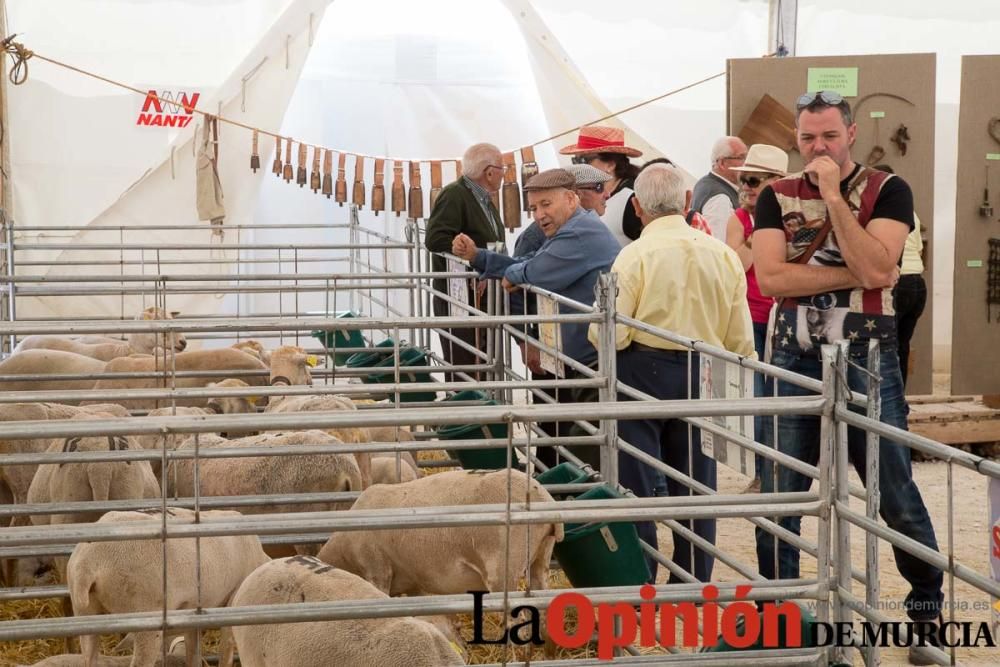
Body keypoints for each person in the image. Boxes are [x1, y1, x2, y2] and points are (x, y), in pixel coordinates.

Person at [752, 91, 943, 657]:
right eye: (808, 138)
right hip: (794, 351)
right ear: (797, 138)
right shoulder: (774, 194)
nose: (818, 148)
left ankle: (926, 609)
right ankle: (780, 617)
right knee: (782, 489)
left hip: (868, 353)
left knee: (894, 488)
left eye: (829, 136)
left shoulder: (889, 189)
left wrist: (834, 196)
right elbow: (770, 282)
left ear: (851, 134)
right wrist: (853, 275)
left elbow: (881, 268)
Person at [589, 163, 754, 582]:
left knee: (638, 478)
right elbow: (739, 337)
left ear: (638, 208)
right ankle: (692, 577)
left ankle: (641, 575)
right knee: (697, 479)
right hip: (706, 370)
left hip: (644, 369)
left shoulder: (634, 255)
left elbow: (610, 331)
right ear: (686, 202)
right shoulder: (722, 255)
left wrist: (619, 347)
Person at [453, 169, 621, 470]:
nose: (539, 214)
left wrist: (511, 275)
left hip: (589, 358)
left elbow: (534, 272)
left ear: (571, 199)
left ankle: (579, 504)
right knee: (572, 435)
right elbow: (529, 266)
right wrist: (483, 259)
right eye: (534, 207)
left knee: (585, 442)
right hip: (578, 353)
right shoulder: (569, 229)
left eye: (546, 204)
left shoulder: (578, 233)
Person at [510, 163, 612, 466]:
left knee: (567, 419)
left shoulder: (576, 229)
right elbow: (520, 286)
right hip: (553, 344)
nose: (604, 195)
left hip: (568, 344)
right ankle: (554, 478)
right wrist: (526, 340)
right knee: (555, 418)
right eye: (597, 189)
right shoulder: (540, 234)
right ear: (575, 196)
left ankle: (558, 479)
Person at [725, 144, 788, 492]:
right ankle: (765, 474)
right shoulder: (741, 219)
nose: (746, 186)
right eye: (743, 180)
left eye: (754, 180)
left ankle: (778, 472)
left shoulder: (789, 217)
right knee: (762, 400)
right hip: (754, 319)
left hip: (782, 317)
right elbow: (739, 263)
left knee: (782, 398)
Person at [424, 142, 506, 381]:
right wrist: (470, 259)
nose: (504, 174)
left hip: (480, 298)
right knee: (465, 366)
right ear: (489, 172)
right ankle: (466, 414)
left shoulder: (482, 199)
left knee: (482, 362)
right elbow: (435, 238)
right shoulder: (455, 195)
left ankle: (482, 412)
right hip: (461, 298)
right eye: (503, 169)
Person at [874, 164, 927, 388]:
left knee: (887, 346)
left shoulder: (884, 209)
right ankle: (900, 397)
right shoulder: (909, 210)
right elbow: (919, 248)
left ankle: (888, 399)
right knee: (902, 345)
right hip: (917, 283)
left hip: (900, 282)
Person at [558, 125, 643, 248]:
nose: (578, 166)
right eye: (575, 160)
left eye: (583, 160)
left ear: (610, 165)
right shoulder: (584, 195)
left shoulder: (633, 199)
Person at [691, 136, 748, 239]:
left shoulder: (704, 183)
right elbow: (720, 243)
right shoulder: (720, 198)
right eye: (741, 157)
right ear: (722, 163)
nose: (747, 163)